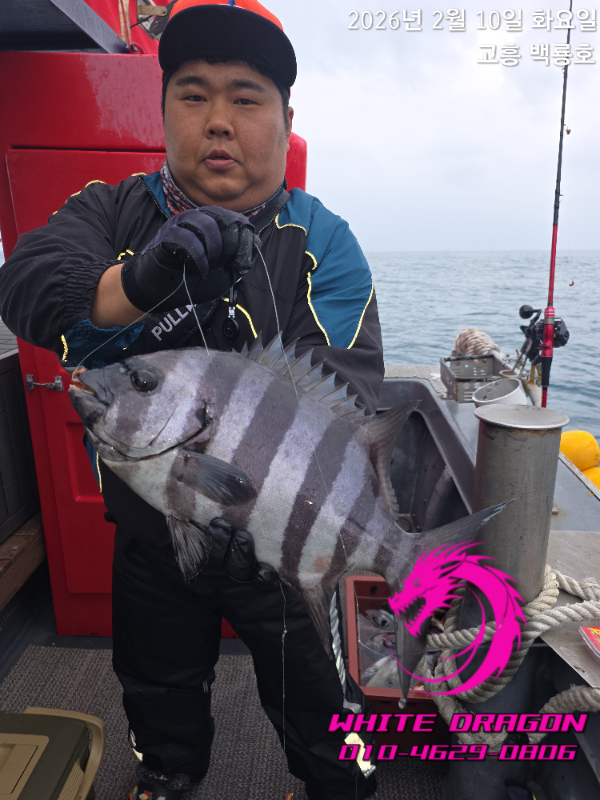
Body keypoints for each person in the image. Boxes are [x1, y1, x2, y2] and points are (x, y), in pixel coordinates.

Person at [0, 1, 385, 797]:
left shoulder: (325, 243)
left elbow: (345, 398)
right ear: (163, 109)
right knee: (158, 694)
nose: (218, 120)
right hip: (152, 535)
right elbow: (27, 283)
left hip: (284, 551)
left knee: (324, 716)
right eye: (193, 93)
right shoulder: (112, 209)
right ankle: (166, 777)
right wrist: (139, 284)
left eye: (246, 97)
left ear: (286, 120)